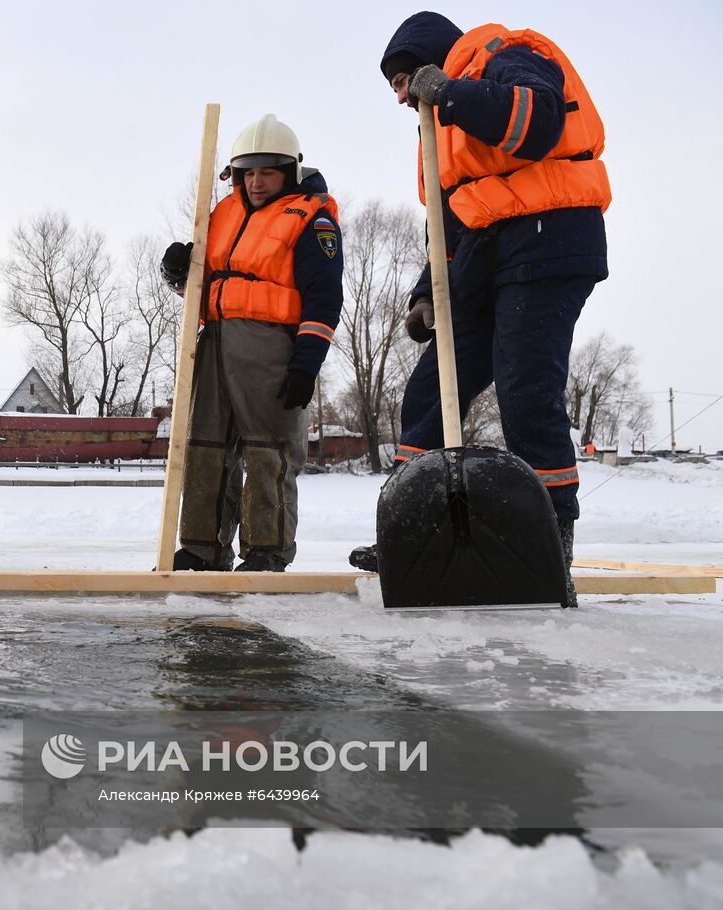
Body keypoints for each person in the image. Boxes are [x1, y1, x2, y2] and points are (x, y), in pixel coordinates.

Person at [350, 13, 611, 606]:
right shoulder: (438, 130)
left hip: (548, 240)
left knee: (524, 388)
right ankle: (414, 529)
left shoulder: (504, 57)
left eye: (402, 79)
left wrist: (449, 93)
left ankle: (550, 546)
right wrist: (424, 293)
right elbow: (448, 221)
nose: (399, 95)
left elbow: (537, 123)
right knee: (427, 390)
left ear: (432, 62)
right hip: (485, 256)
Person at [162, 115, 343, 573]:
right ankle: (202, 549)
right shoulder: (221, 213)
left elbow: (324, 296)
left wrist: (306, 363)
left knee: (269, 449)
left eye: (267, 171)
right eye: (248, 172)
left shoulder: (310, 217)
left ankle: (267, 550)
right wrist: (178, 273)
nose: (257, 182)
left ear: (290, 171)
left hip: (269, 347)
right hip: (214, 340)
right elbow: (202, 288)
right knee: (205, 445)